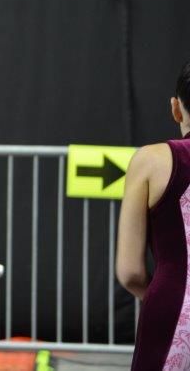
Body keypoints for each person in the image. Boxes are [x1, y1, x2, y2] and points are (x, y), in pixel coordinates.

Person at [117, 60, 190, 370]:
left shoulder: (152, 160)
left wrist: (163, 297)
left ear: (176, 108)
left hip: (175, 311)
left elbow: (129, 272)